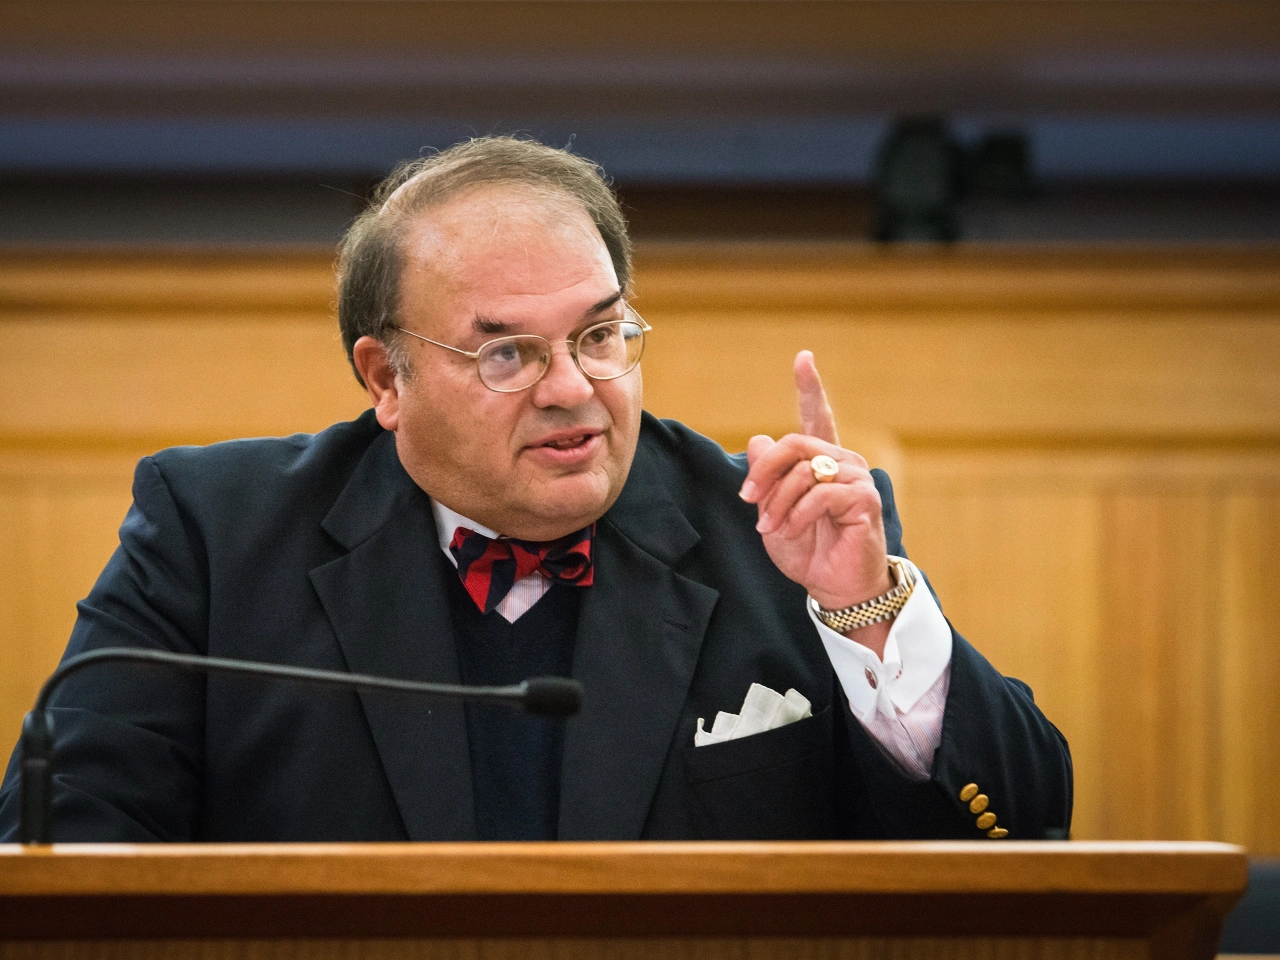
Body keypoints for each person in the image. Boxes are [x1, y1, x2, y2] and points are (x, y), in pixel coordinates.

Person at [0, 137, 1071, 842]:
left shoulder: (776, 527)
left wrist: (863, 611)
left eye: (600, 336)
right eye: (506, 354)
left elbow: (1022, 837)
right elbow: (69, 848)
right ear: (385, 377)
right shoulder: (214, 535)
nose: (573, 390)